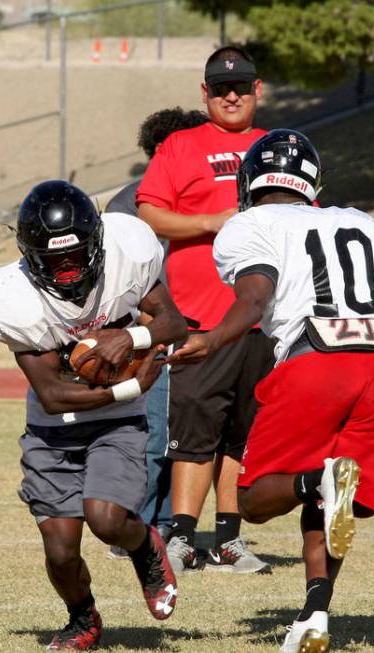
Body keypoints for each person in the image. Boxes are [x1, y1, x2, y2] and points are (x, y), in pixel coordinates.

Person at [171, 129, 374, 652]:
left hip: (312, 365)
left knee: (252, 500)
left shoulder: (249, 225)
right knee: (331, 504)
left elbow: (252, 302)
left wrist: (211, 339)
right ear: (311, 182)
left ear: (249, 182)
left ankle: (315, 481)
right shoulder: (360, 222)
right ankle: (314, 614)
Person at [0, 181, 186, 650]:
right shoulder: (14, 299)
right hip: (54, 429)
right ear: (31, 256)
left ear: (96, 242)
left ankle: (146, 547)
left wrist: (130, 339)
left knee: (108, 519)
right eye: (54, 260)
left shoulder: (127, 255)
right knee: (60, 549)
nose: (67, 270)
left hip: (116, 422)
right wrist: (132, 385)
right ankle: (82, 619)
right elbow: (52, 394)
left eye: (74, 256)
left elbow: (174, 323)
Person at [136, 45, 274, 574]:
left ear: (258, 90)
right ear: (205, 93)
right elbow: (150, 212)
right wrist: (209, 223)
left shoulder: (276, 147)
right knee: (194, 430)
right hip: (199, 316)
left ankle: (230, 538)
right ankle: (183, 537)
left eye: (240, 87)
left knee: (244, 431)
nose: (231, 96)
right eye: (220, 89)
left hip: (263, 318)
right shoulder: (179, 145)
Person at [104, 107, 209, 561]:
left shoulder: (206, 200)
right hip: (149, 335)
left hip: (202, 332)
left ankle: (169, 525)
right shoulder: (128, 205)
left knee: (188, 435)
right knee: (149, 434)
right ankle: (133, 528)